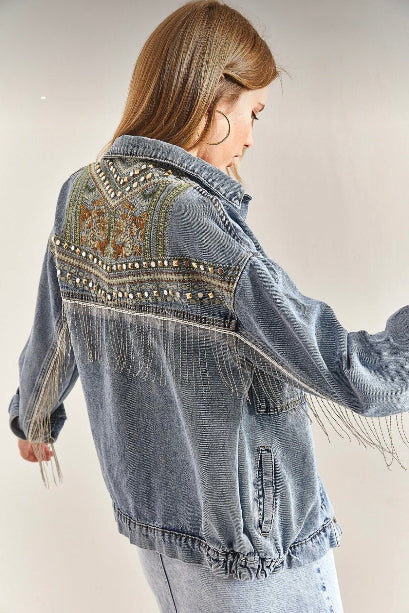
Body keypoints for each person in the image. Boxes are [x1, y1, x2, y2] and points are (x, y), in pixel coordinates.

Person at [8, 1, 409, 611]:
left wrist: (34, 418)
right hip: (249, 540)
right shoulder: (197, 218)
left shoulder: (82, 192)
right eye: (253, 112)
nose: (250, 137)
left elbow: (56, 324)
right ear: (211, 101)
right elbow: (337, 365)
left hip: (157, 527)